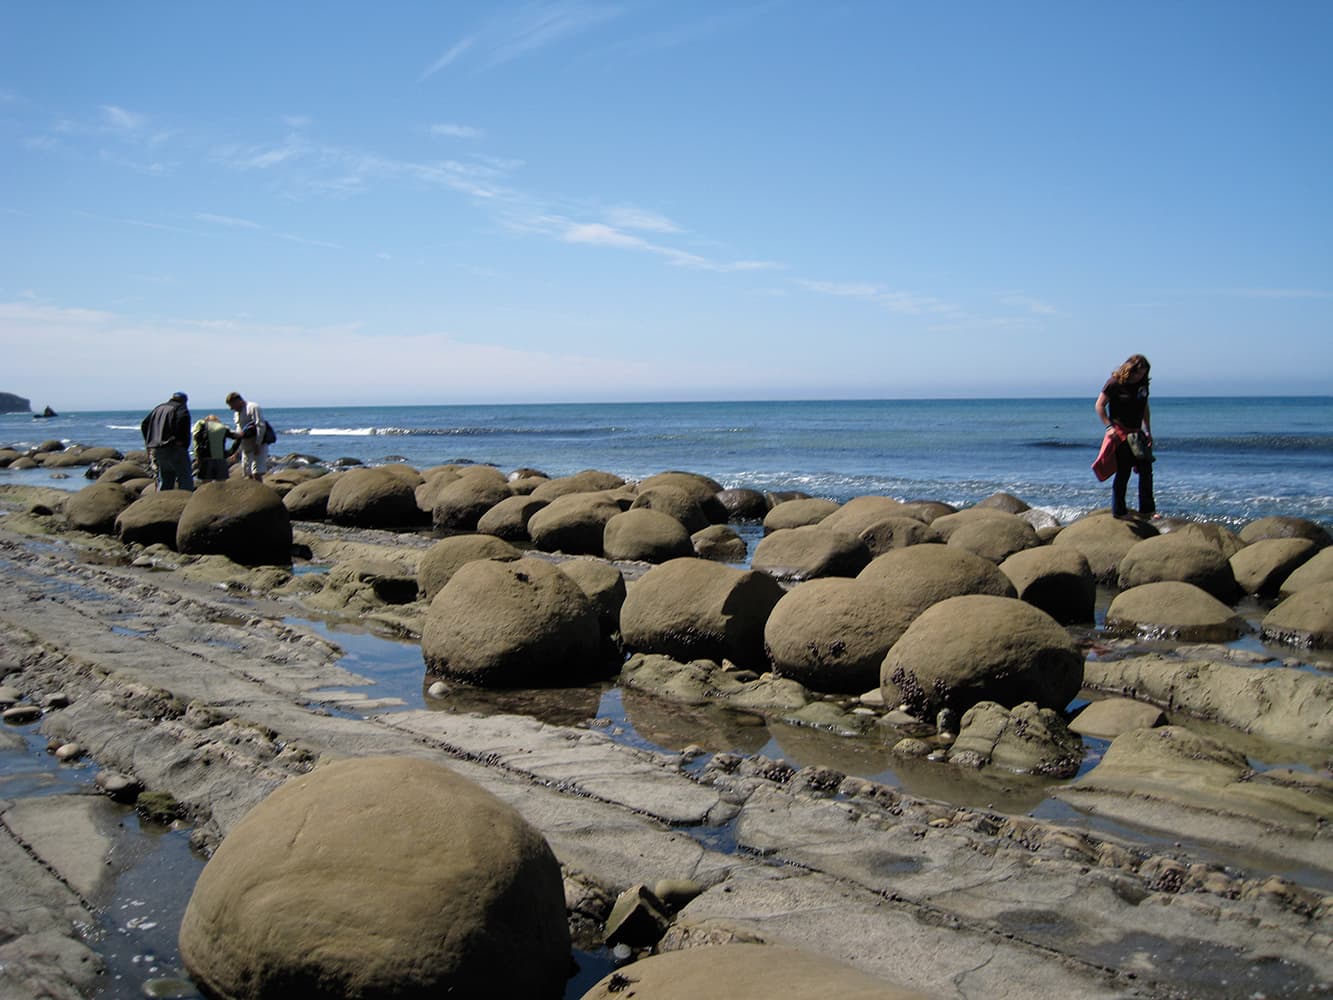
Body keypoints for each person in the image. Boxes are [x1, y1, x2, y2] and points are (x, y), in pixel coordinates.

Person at [1094, 354, 1156, 518]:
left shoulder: (1142, 385)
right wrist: (1108, 427)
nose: (1140, 376)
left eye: (1143, 373)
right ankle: (1119, 511)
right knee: (1123, 471)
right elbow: (1099, 405)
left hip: (1137, 433)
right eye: (1137, 373)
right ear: (1129, 370)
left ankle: (1147, 510)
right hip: (1120, 432)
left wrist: (1147, 430)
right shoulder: (1114, 383)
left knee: (1146, 470)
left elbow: (1144, 407)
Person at [140, 391, 194, 491]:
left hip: (159, 448)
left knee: (166, 478)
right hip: (175, 448)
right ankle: (186, 499)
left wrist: (150, 441)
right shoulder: (180, 408)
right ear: (184, 401)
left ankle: (163, 498)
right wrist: (180, 440)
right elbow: (182, 421)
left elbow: (144, 424)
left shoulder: (158, 408)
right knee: (185, 477)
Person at [225, 391, 269, 481]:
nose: (231, 408)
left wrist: (258, 444)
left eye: (232, 405)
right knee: (247, 473)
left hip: (257, 445)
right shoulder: (237, 413)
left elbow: (260, 426)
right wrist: (236, 451)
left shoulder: (253, 407)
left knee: (256, 472)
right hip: (245, 447)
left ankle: (259, 492)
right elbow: (239, 432)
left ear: (238, 401)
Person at [192, 413, 236, 482]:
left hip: (206, 458)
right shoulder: (222, 429)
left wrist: (198, 456)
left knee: (206, 483)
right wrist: (231, 452)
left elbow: (197, 445)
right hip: (220, 458)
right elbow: (236, 437)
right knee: (221, 483)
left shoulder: (202, 429)